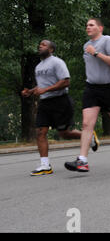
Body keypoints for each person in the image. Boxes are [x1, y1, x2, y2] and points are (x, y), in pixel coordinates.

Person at [65, 18, 110, 172]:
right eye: (86, 25)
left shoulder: (107, 41)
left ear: (100, 27)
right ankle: (83, 160)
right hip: (92, 88)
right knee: (87, 124)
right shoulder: (86, 45)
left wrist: (96, 53)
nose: (87, 27)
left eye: (91, 25)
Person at [23, 40, 98, 176]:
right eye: (39, 45)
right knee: (40, 132)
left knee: (64, 133)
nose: (40, 46)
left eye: (44, 45)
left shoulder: (57, 62)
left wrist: (45, 90)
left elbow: (65, 81)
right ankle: (45, 165)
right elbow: (42, 86)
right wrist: (31, 91)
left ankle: (89, 137)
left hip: (60, 101)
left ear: (51, 49)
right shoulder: (38, 67)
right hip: (45, 103)